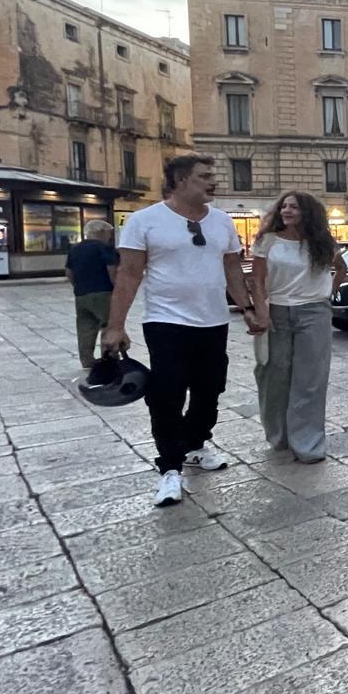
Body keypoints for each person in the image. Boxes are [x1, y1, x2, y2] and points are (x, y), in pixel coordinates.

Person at [103, 154, 263, 507]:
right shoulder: (145, 221)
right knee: (168, 395)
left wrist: (247, 307)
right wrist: (115, 326)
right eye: (204, 176)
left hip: (214, 321)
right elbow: (128, 275)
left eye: (212, 175)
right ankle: (170, 467)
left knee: (210, 390)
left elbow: (232, 269)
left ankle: (194, 445)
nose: (213, 181)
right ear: (179, 180)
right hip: (166, 322)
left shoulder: (222, 222)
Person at [250, 191, 346, 464]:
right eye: (284, 206)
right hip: (277, 311)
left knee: (311, 380)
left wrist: (326, 293)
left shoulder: (322, 242)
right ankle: (279, 436)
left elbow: (341, 268)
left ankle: (308, 443)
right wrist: (261, 311)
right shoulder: (267, 241)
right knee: (273, 376)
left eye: (293, 207)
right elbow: (256, 281)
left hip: (314, 312)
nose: (286, 210)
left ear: (307, 212)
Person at [66, 219, 119, 369]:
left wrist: (78, 286)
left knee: (85, 328)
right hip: (103, 292)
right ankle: (110, 359)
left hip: (81, 294)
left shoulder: (75, 249)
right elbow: (112, 270)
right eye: (109, 233)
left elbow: (69, 272)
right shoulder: (104, 248)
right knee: (109, 325)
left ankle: (87, 360)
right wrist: (118, 288)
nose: (110, 237)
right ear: (101, 232)